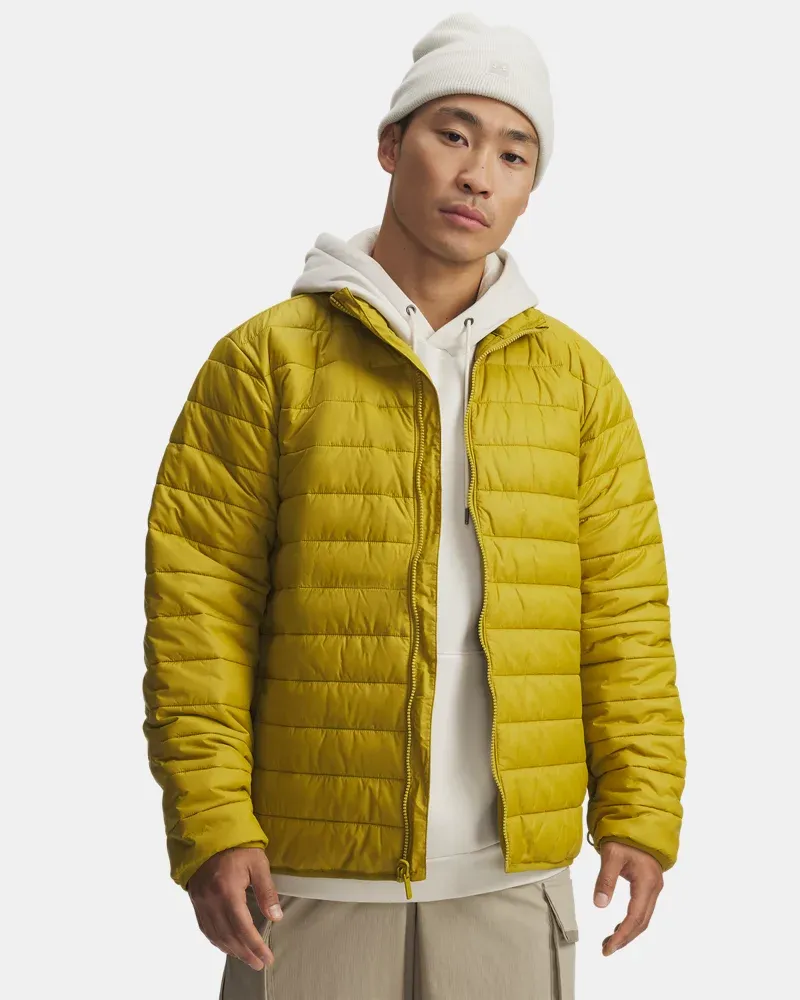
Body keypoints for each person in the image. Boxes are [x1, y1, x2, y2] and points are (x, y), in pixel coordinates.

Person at [142, 11, 686, 998]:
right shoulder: (266, 361)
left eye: (512, 153)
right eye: (453, 134)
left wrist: (640, 809)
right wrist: (212, 821)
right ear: (391, 145)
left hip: (510, 882)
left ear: (529, 189)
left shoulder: (576, 384)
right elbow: (198, 614)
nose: (478, 174)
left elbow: (624, 616)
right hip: (305, 884)